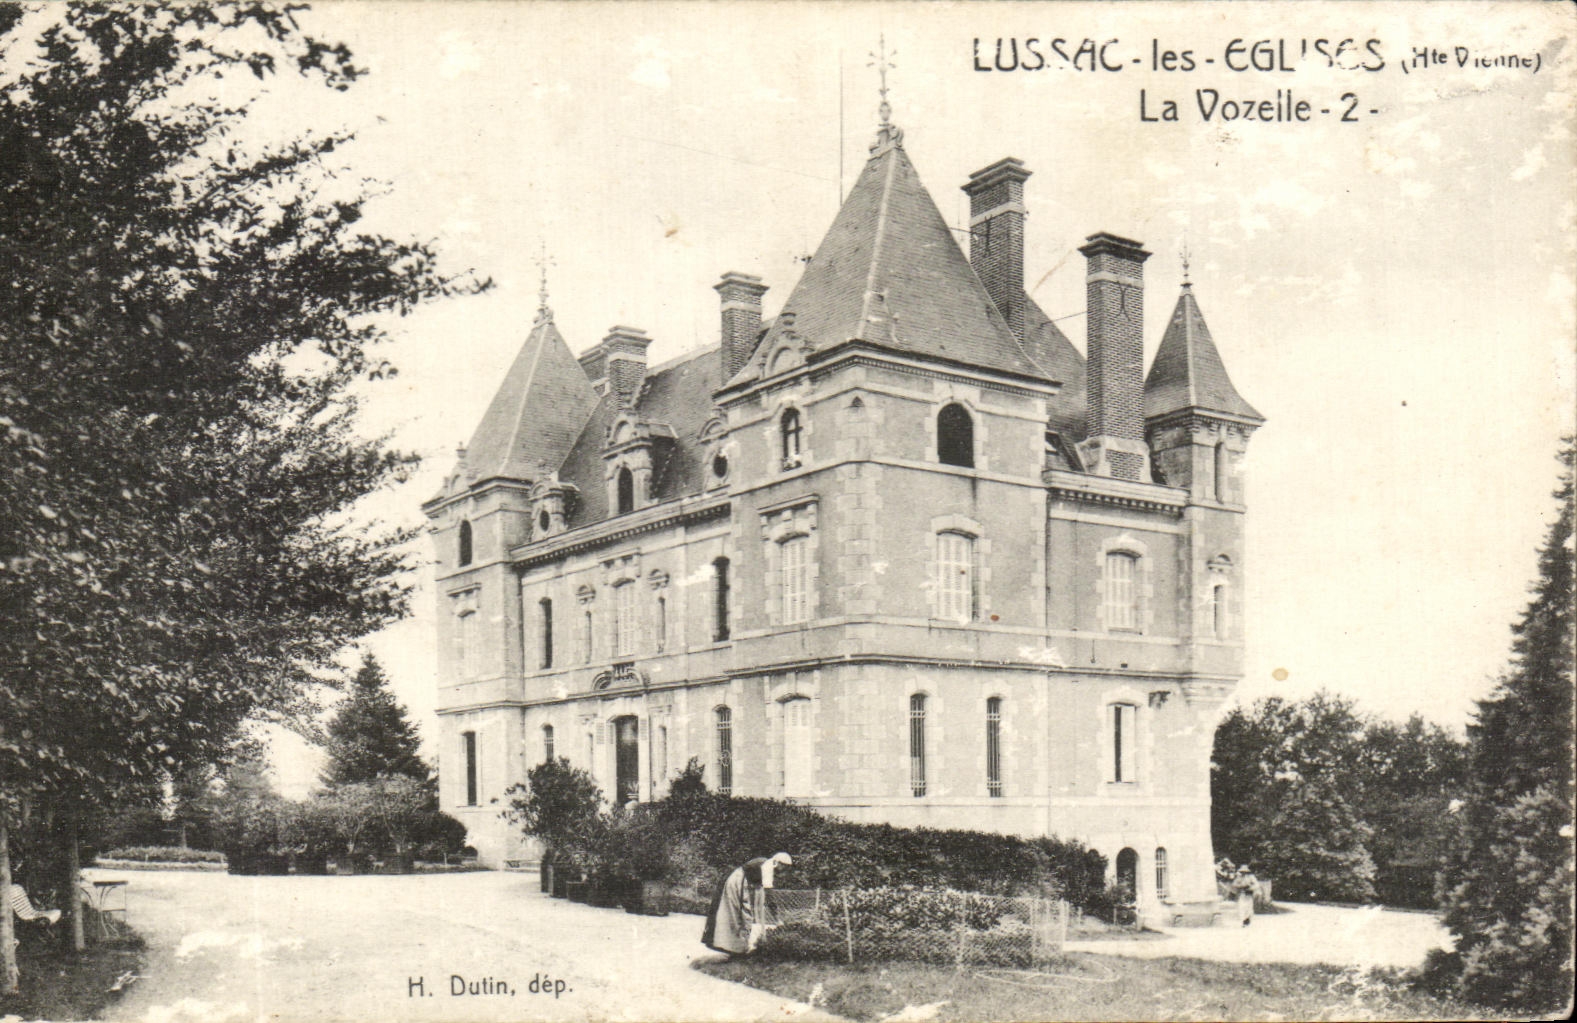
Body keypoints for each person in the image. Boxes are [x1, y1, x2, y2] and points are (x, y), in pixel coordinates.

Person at [701, 852, 792, 955]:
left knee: (739, 914)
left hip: (740, 880)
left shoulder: (765, 864)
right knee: (739, 913)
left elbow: (759, 888)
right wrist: (776, 918)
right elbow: (769, 895)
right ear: (778, 862)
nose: (784, 869)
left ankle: (736, 948)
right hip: (737, 881)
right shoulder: (768, 867)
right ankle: (736, 948)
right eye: (783, 866)